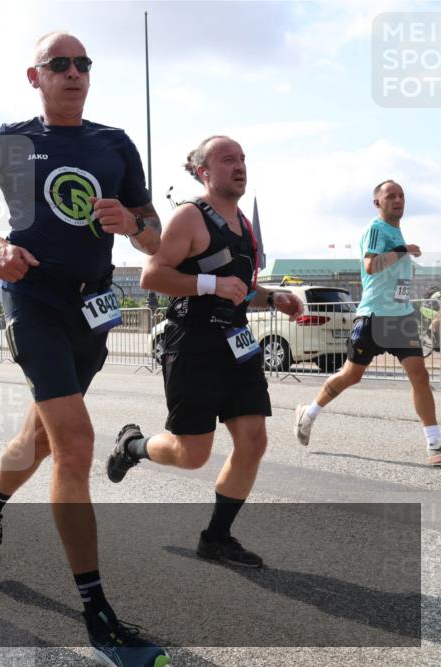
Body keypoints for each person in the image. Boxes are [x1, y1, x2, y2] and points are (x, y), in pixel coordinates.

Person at [0, 32, 168, 667]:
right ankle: (97, 614)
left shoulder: (115, 143)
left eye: (83, 65)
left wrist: (134, 226)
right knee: (74, 444)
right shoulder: (10, 141)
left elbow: (151, 237)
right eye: (60, 65)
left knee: (41, 439)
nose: (74, 73)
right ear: (34, 76)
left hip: (92, 308)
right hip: (34, 299)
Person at [107, 135, 304, 569]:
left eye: (243, 158)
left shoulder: (244, 227)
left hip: (237, 342)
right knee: (192, 453)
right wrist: (210, 285)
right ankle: (132, 445)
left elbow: (240, 288)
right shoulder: (189, 217)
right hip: (193, 343)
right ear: (204, 172)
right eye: (227, 159)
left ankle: (216, 537)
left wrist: (273, 299)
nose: (239, 166)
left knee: (253, 441)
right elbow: (152, 276)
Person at [294, 180, 439, 466]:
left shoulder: (396, 231)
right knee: (351, 375)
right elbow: (371, 264)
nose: (398, 200)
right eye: (390, 196)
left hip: (401, 317)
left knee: (419, 376)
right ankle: (307, 414)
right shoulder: (376, 229)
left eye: (401, 195)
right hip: (374, 316)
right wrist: (404, 249)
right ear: (377, 203)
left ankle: (434, 442)